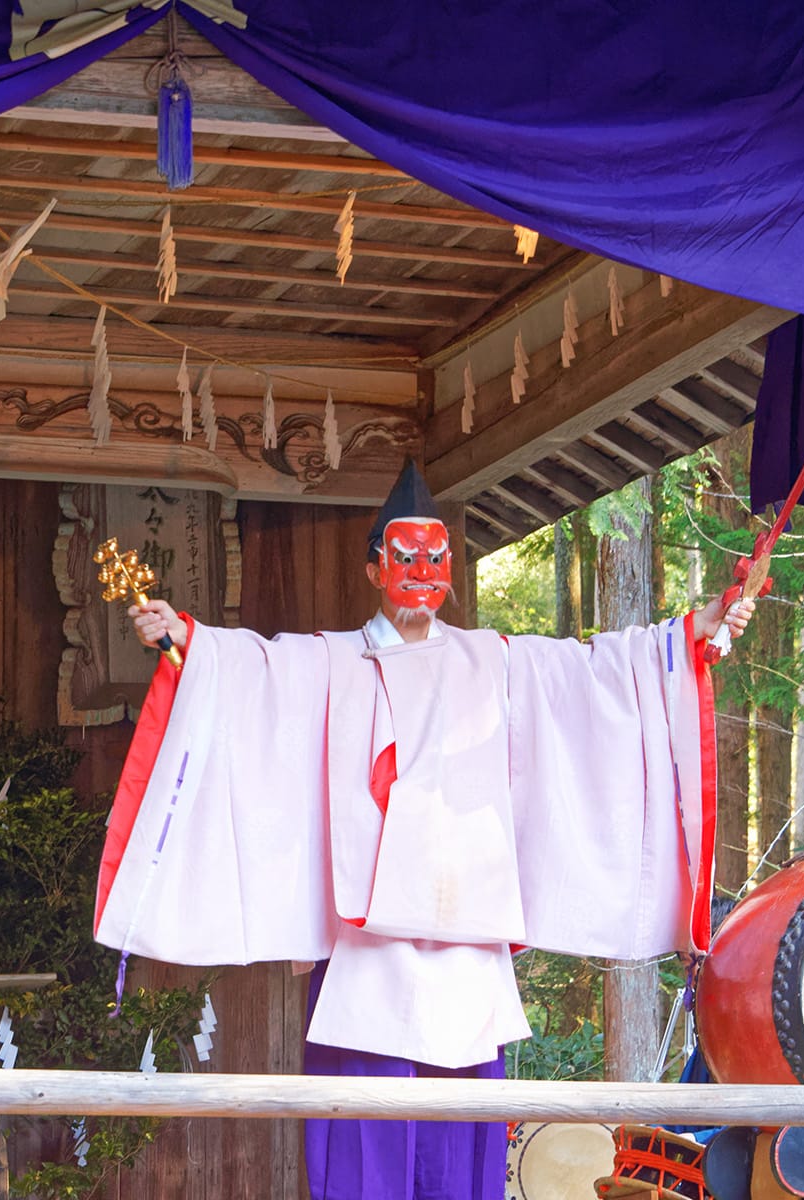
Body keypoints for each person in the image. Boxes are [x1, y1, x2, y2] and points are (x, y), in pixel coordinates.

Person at [93, 460, 754, 1200]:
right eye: (404, 557)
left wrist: (694, 634)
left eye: (435, 558)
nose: (421, 572)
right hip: (369, 952)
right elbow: (254, 673)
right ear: (375, 565)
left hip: (468, 949)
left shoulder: (494, 660)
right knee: (363, 1148)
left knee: (465, 1152)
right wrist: (187, 642)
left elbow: (595, 673)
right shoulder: (334, 660)